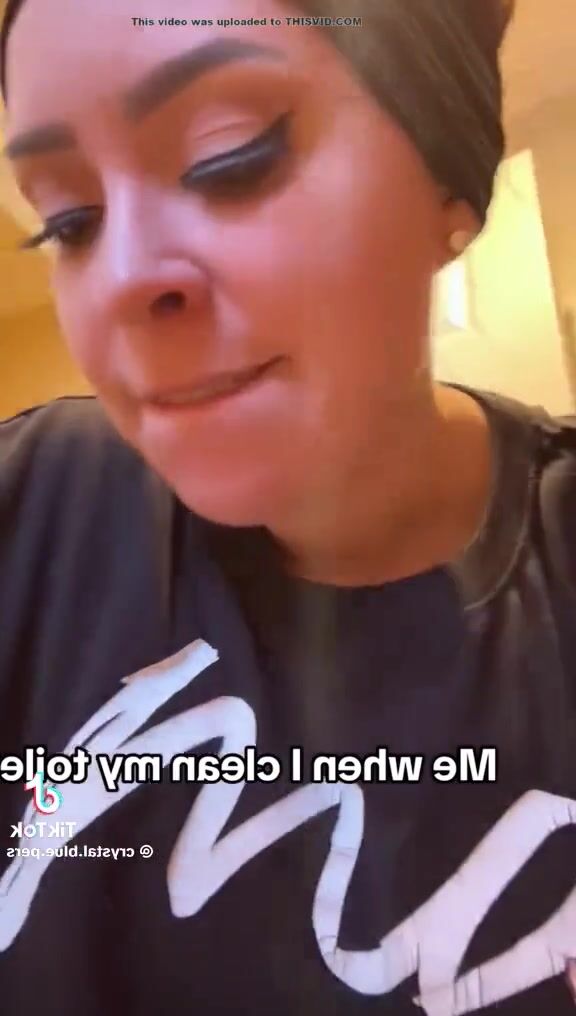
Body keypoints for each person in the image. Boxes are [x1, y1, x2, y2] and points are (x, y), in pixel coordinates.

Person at [1, 0, 576, 1013]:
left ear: (450, 178)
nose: (124, 278)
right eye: (70, 223)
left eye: (233, 157)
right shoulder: (31, 511)